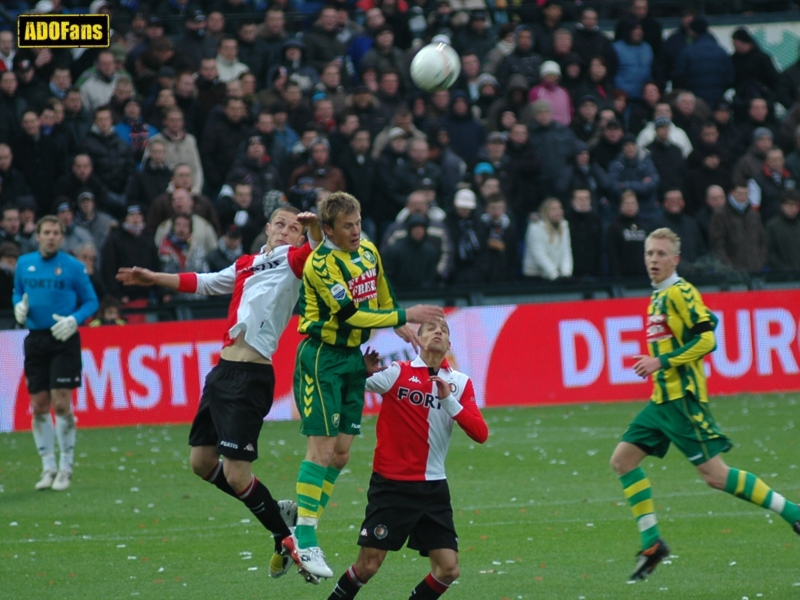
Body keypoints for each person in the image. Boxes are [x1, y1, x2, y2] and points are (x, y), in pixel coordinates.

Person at [116, 206, 323, 579]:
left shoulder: (296, 261)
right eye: (280, 224)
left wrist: (314, 230)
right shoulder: (246, 263)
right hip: (223, 372)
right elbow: (206, 281)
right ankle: (276, 513)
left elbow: (316, 250)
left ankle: (288, 538)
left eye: (294, 228)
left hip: (251, 376)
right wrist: (153, 278)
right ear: (267, 227)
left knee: (238, 475)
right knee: (201, 462)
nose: (286, 231)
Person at [609, 227, 800, 582]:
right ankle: (652, 543)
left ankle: (793, 512)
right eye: (649, 253)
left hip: (682, 402)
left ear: (675, 259)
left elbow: (708, 339)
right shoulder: (657, 297)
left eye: (661, 254)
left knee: (716, 476)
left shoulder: (681, 293)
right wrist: (655, 360)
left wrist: (660, 363)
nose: (653, 260)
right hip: (660, 402)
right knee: (622, 460)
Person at [283, 192, 444, 581]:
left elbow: (379, 286)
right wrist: (407, 314)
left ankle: (295, 521)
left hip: (354, 358)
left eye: (358, 223)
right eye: (347, 227)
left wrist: (399, 323)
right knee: (320, 450)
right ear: (330, 231)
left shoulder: (369, 250)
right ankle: (305, 537)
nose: (356, 232)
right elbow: (351, 314)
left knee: (340, 455)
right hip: (322, 357)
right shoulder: (322, 265)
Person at [326, 317, 489, 600]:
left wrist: (448, 399)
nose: (438, 331)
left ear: (450, 344)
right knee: (367, 566)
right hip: (392, 487)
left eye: (444, 330)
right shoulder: (395, 373)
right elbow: (343, 380)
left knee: (449, 570)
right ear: (418, 340)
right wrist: (359, 370)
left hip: (433, 488)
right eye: (430, 329)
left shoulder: (460, 383)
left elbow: (481, 433)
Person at [13, 215, 99, 492]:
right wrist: (19, 307)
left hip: (64, 339)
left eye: (56, 232)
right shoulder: (24, 264)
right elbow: (18, 293)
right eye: (47, 232)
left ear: (61, 237)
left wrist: (74, 319)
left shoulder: (73, 267)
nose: (51, 236)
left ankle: (66, 467)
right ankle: (48, 466)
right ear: (37, 235)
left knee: (61, 404)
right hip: (35, 339)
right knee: (38, 404)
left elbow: (91, 301)